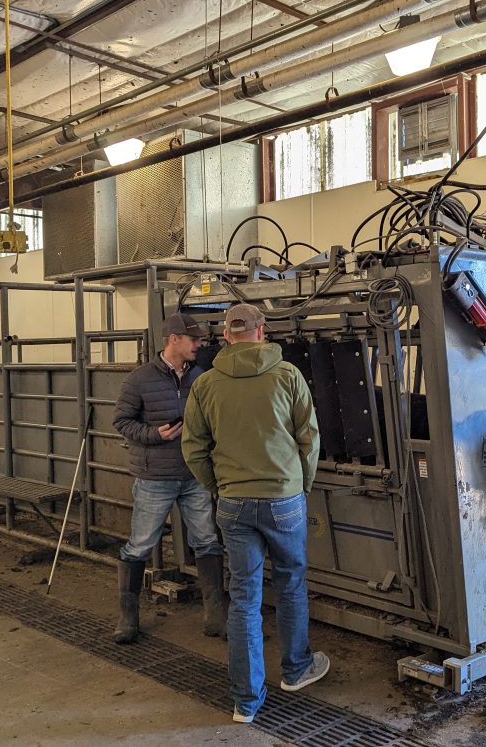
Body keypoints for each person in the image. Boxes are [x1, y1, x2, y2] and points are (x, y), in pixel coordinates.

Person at [182, 303, 325, 724]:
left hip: (234, 502)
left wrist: (218, 487)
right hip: (283, 499)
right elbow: (309, 438)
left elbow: (193, 448)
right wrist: (301, 484)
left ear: (226, 336)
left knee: (244, 597)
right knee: (291, 583)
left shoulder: (205, 385)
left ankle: (245, 700)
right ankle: (296, 670)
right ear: (261, 332)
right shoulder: (287, 376)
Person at [111, 312, 226, 643]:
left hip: (193, 475)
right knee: (140, 545)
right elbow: (121, 421)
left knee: (206, 540)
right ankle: (128, 618)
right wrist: (153, 434)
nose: (200, 345)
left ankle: (215, 616)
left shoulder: (201, 377)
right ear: (173, 339)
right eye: (194, 340)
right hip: (154, 477)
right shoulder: (139, 379)